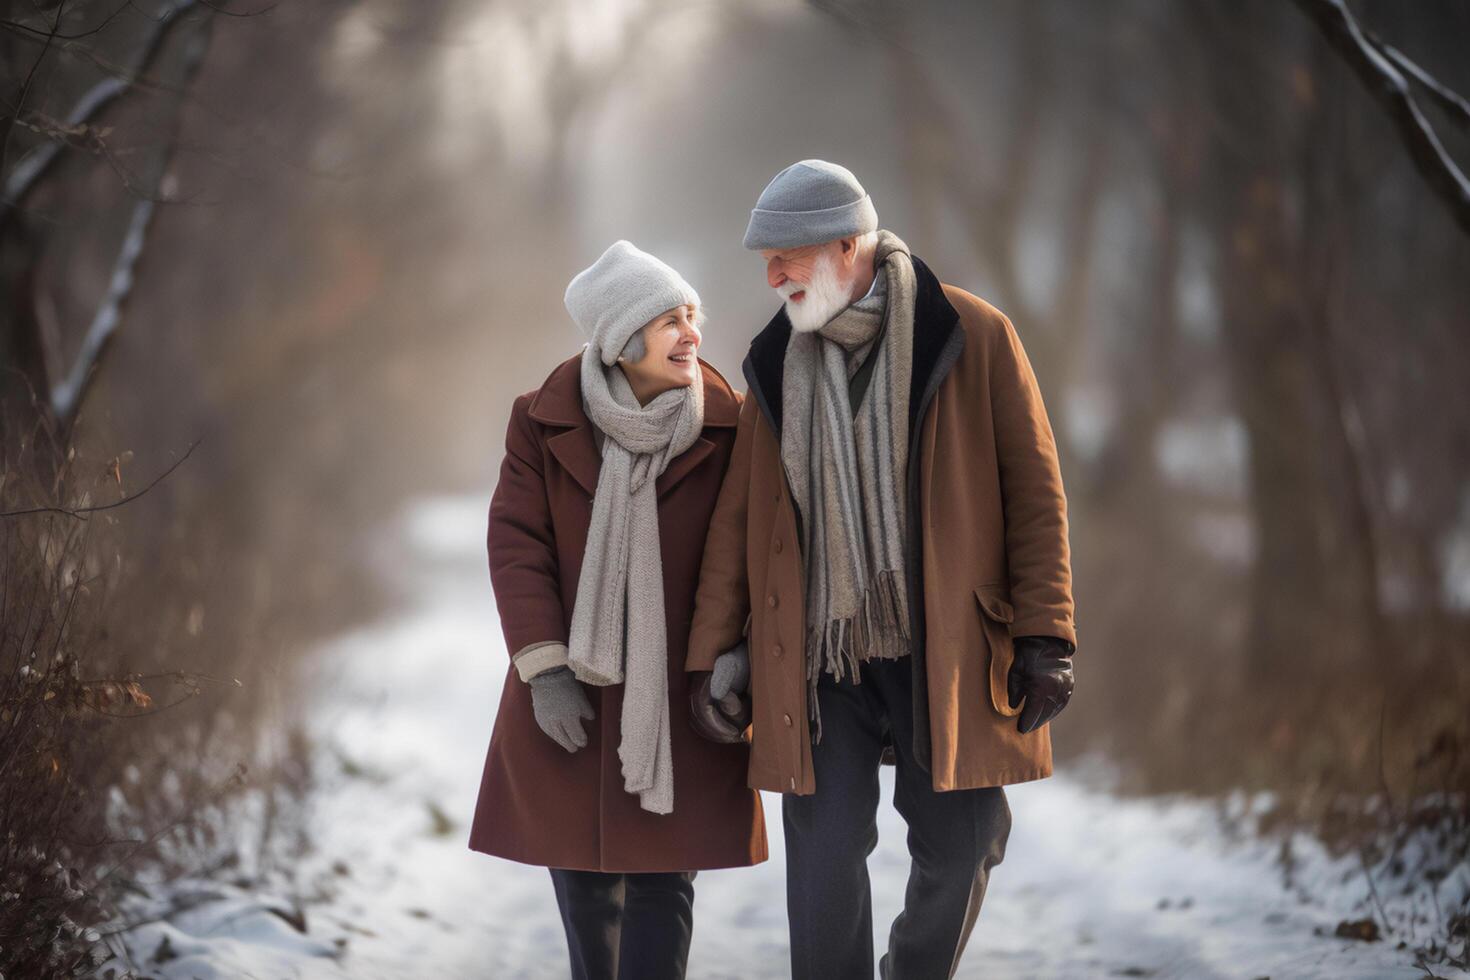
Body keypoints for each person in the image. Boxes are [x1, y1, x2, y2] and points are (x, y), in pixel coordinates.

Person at [687, 160, 1078, 979]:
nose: (771, 277)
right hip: (817, 654)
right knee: (824, 862)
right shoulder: (773, 365)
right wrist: (714, 655)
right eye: (766, 261)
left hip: (950, 644)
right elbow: (738, 521)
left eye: (785, 257)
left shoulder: (972, 335)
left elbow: (1035, 495)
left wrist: (1047, 632)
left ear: (845, 243)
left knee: (968, 844)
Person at [469, 240, 767, 980]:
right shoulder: (541, 423)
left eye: (693, 316)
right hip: (577, 685)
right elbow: (517, 544)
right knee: (584, 885)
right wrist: (543, 669)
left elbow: (764, 555)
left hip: (679, 694)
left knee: (667, 888)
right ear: (620, 338)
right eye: (671, 321)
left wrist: (742, 654)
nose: (692, 334)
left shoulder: (734, 427)